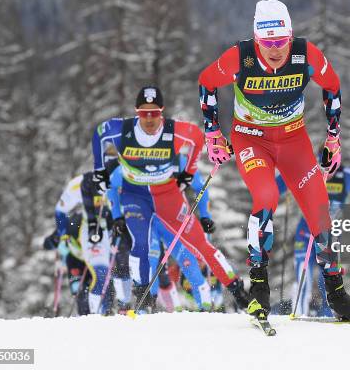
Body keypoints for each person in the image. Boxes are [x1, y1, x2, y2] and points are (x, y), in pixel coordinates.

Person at [197, 0, 350, 321]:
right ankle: (259, 290)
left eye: (281, 42)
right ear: (256, 39)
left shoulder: (306, 55)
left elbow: (332, 86)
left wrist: (333, 138)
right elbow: (207, 82)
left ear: (290, 37)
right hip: (251, 140)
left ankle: (337, 295)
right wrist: (213, 133)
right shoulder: (241, 57)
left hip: (293, 140)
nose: (275, 50)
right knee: (266, 197)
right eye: (267, 43)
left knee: (320, 210)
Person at [91, 86, 250, 312]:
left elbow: (197, 138)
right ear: (136, 112)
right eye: (143, 113)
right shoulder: (122, 130)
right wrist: (99, 172)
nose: (149, 118)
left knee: (198, 245)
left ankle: (238, 291)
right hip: (135, 196)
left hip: (168, 197)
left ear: (162, 112)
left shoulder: (174, 133)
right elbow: (99, 134)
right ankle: (143, 300)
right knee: (142, 246)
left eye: (154, 113)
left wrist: (189, 173)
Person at [277, 152, 350, 316]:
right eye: (323, 160)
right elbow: (275, 186)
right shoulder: (309, 172)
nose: (327, 165)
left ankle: (328, 317)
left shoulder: (347, 175)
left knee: (328, 281)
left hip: (328, 236)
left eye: (332, 160)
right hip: (306, 234)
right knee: (303, 280)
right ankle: (300, 315)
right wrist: (284, 167)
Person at [107, 156, 214, 312]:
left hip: (173, 219)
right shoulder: (134, 159)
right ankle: (146, 308)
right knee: (150, 260)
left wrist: (205, 216)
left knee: (188, 261)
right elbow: (112, 186)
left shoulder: (178, 159)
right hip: (149, 220)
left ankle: (205, 308)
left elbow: (200, 186)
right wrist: (117, 216)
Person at [43, 168, 129, 315]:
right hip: (79, 254)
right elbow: (59, 215)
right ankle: (87, 318)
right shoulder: (74, 219)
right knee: (80, 291)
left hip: (102, 242)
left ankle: (106, 314)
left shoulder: (119, 179)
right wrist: (59, 236)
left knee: (105, 280)